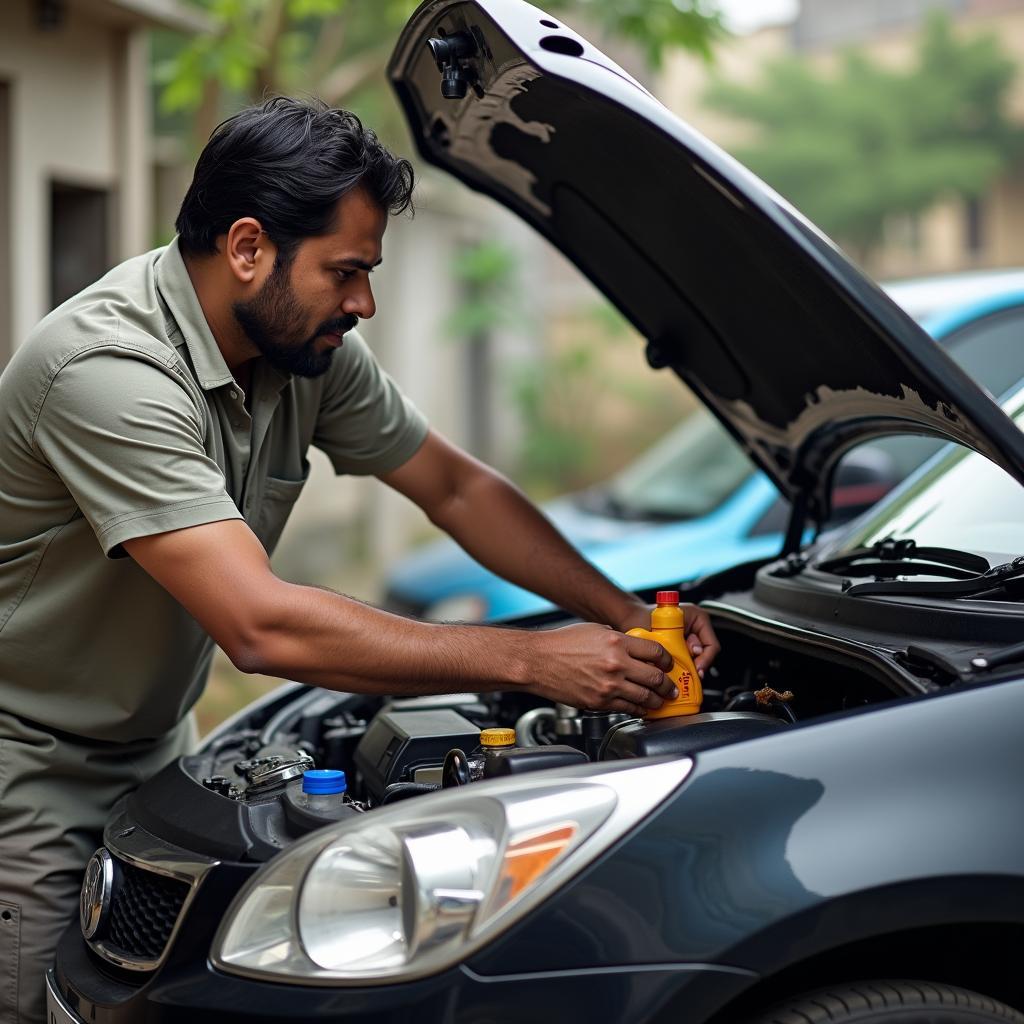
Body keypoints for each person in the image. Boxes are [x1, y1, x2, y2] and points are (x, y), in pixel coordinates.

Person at [0, 97, 719, 1023]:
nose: (363, 302)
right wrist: (534, 661)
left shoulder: (305, 349)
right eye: (346, 272)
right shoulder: (106, 372)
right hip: (27, 769)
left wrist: (621, 611)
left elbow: (455, 490)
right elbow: (258, 624)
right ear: (249, 247)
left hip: (159, 748)